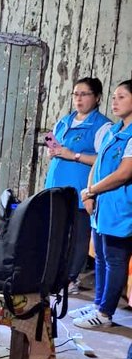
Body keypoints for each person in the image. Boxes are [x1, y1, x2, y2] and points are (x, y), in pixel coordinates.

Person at [74, 79, 132, 330]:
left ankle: (106, 313)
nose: (115, 101)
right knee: (100, 257)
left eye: (121, 97)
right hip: (102, 204)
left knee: (115, 259)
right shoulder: (113, 130)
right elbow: (97, 164)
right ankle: (98, 304)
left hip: (121, 207)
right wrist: (89, 193)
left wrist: (93, 190)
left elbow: (124, 173)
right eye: (114, 97)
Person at [45, 77, 111, 294]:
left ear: (97, 97)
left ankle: (71, 278)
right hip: (56, 186)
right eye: (75, 94)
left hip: (80, 189)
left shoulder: (102, 126)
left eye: (84, 94)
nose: (78, 99)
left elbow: (103, 160)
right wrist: (53, 151)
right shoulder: (65, 121)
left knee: (78, 237)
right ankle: (54, 274)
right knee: (56, 233)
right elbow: (56, 146)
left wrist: (73, 155)